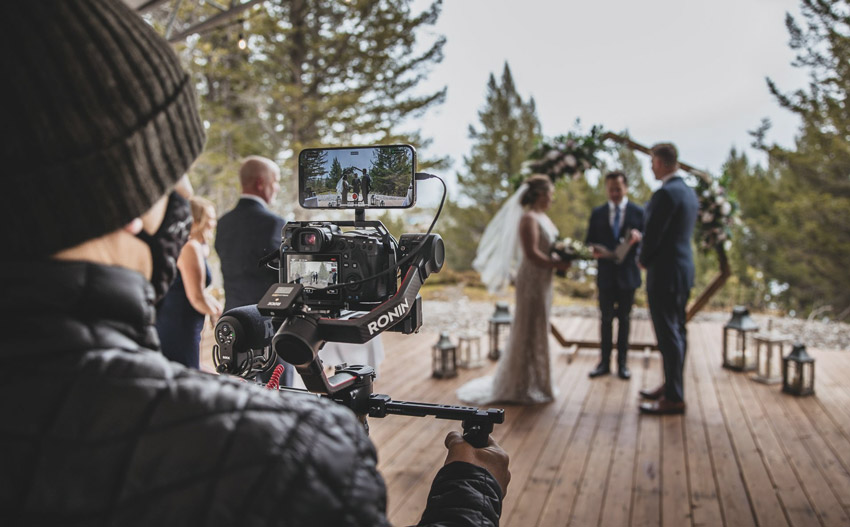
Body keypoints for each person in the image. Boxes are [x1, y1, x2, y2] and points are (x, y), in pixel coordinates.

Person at [0, 2, 510, 525]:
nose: (184, 196)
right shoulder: (285, 456)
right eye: (173, 173)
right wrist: (470, 491)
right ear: (130, 203)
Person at [458, 175, 571, 405]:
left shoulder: (543, 217)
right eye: (550, 193)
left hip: (544, 279)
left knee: (538, 326)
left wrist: (559, 257)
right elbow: (531, 254)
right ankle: (520, 382)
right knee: (529, 326)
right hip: (531, 279)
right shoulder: (528, 219)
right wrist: (556, 264)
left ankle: (536, 380)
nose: (552, 197)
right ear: (540, 195)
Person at [638, 143, 698, 415]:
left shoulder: (664, 194)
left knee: (667, 335)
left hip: (664, 273)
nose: (651, 167)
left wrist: (642, 258)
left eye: (652, 162)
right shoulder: (688, 193)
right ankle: (672, 385)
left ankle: (674, 397)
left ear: (661, 162)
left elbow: (653, 235)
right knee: (678, 331)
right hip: (683, 271)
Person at [585, 171, 645, 380]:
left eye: (618, 189)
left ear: (625, 188)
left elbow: (649, 241)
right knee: (605, 319)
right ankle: (604, 363)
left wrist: (639, 239)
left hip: (628, 275)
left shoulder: (639, 212)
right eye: (611, 189)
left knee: (625, 320)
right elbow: (589, 240)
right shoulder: (598, 213)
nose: (615, 193)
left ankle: (622, 364)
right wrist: (595, 250)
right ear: (606, 189)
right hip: (606, 275)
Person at [156, 196, 223, 369]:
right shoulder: (190, 246)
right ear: (196, 219)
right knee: (185, 368)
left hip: (183, 319)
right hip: (179, 322)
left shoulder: (192, 246)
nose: (213, 223)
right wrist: (219, 314)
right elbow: (196, 297)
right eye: (210, 217)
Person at [216, 156, 285, 313]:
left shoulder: (223, 222)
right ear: (260, 183)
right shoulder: (273, 223)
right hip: (263, 318)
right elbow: (283, 274)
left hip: (232, 314)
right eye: (275, 181)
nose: (277, 187)